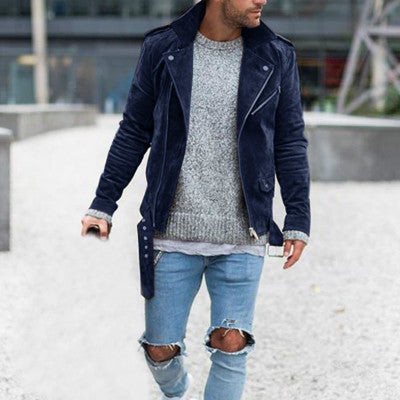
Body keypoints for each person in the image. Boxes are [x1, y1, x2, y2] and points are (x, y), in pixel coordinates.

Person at [81, 0, 311, 398]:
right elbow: (134, 130)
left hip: (244, 231)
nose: (263, 0)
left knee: (231, 341)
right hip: (171, 231)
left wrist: (298, 218)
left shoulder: (276, 55)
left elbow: (289, 141)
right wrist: (103, 203)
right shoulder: (163, 47)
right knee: (159, 349)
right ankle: (176, 390)